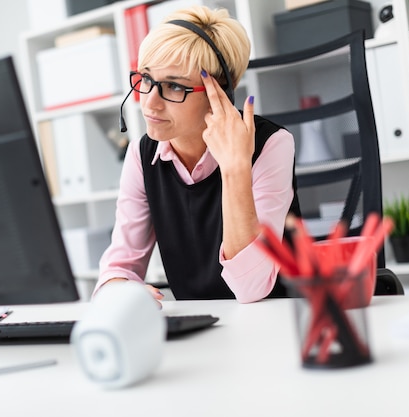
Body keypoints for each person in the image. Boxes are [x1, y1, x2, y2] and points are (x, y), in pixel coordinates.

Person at [94, 5, 298, 304]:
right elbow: (118, 264)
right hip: (198, 328)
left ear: (220, 93)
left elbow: (252, 289)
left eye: (174, 86)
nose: (149, 103)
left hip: (275, 321)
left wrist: (235, 167)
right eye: (146, 79)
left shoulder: (271, 144)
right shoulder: (142, 155)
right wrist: (118, 287)